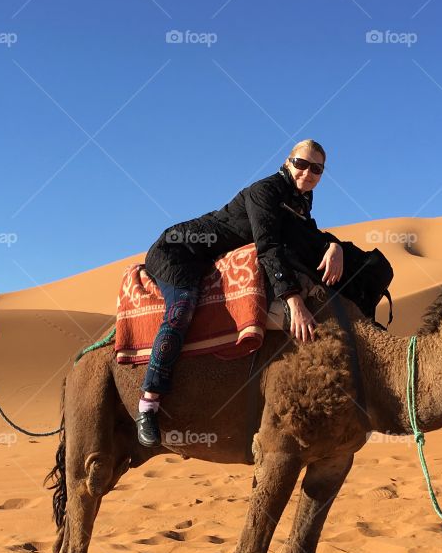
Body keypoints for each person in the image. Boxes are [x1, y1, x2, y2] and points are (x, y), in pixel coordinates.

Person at [136, 139, 343, 447]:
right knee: (183, 305)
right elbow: (268, 246)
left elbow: (309, 235)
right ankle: (149, 403)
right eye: (301, 164)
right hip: (178, 249)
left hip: (207, 258)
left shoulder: (301, 199)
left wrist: (334, 245)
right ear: (288, 162)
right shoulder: (266, 191)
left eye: (316, 168)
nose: (307, 172)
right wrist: (293, 300)